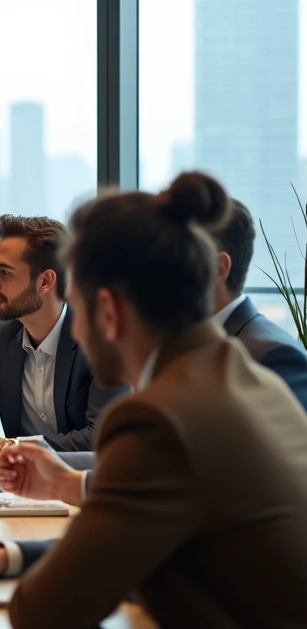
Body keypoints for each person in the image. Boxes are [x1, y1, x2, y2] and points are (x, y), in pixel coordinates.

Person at [0, 172, 307, 628]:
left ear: (109, 312)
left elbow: (44, 611)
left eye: (78, 305)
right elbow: (150, 532)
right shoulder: (247, 381)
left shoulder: (160, 420)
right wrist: (12, 554)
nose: (74, 328)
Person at [58, 198, 307, 472]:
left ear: (215, 269)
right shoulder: (181, 358)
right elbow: (159, 463)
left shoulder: (273, 356)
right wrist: (55, 472)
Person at [0, 215, 127, 462]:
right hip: (18, 491)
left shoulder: (103, 340)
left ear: (45, 281)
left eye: (6, 272)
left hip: (87, 490)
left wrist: (7, 447)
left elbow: (101, 439)